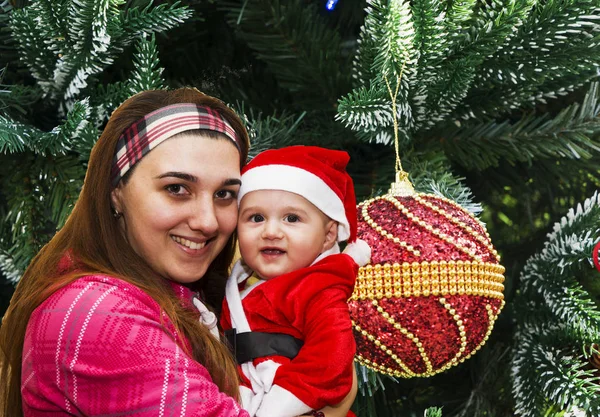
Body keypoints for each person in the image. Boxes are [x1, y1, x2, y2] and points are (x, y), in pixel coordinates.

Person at [0, 89, 356, 417]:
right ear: (115, 192)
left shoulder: (182, 290)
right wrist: (331, 407)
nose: (207, 222)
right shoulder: (96, 312)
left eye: (224, 195)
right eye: (176, 188)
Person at [221, 146, 371, 417]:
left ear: (328, 236)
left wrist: (278, 408)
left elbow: (331, 358)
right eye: (256, 218)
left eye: (292, 218)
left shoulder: (318, 289)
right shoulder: (237, 286)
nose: (271, 231)